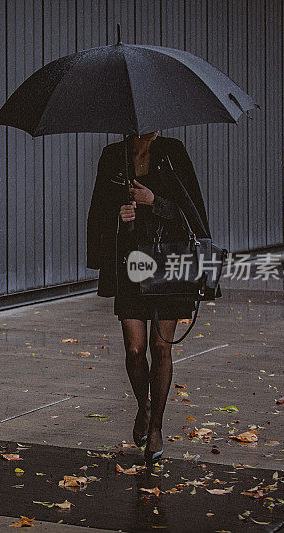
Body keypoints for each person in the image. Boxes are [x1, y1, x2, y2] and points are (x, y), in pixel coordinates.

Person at [85, 131, 213, 466]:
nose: (152, 129)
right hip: (130, 264)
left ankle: (155, 426)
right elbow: (98, 210)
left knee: (161, 347)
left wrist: (154, 202)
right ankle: (144, 406)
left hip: (167, 265)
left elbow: (192, 212)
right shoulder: (113, 156)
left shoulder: (172, 152)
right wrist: (120, 216)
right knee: (134, 349)